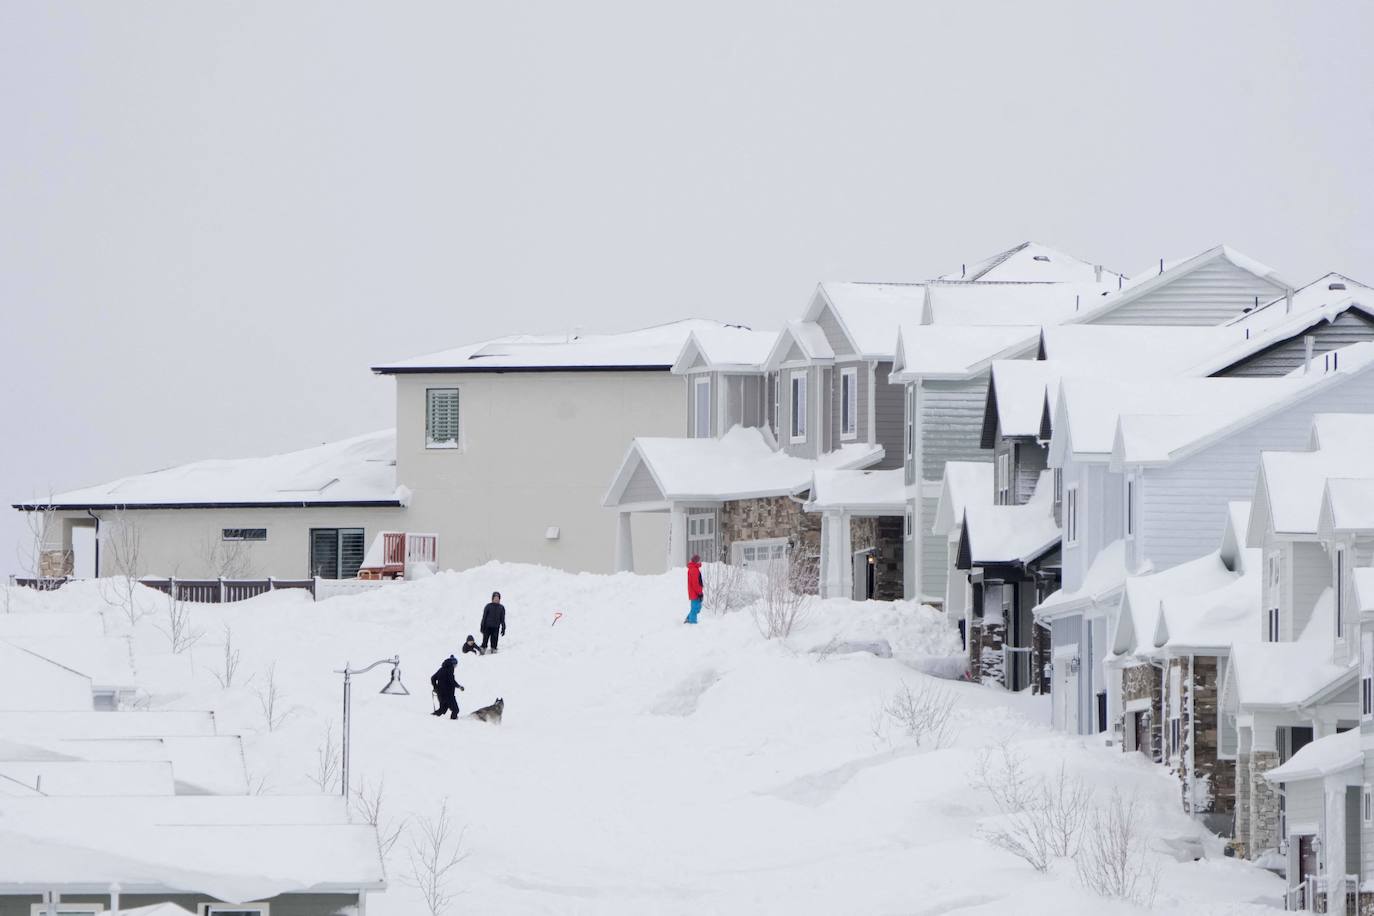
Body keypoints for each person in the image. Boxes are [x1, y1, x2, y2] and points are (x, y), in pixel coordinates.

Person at [685, 554, 704, 624]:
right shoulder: (694, 570)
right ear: (696, 561)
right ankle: (692, 623)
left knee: (697, 608)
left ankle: (688, 619)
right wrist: (699, 593)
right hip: (695, 593)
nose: (700, 562)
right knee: (695, 609)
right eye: (699, 560)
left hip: (694, 592)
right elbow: (696, 584)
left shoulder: (694, 569)